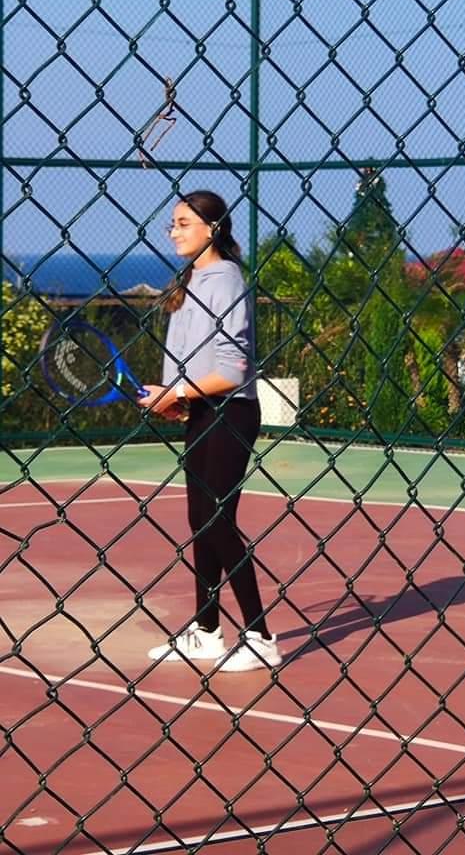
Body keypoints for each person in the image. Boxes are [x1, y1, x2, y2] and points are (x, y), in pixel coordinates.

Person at [139, 190, 281, 671]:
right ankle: (206, 631)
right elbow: (191, 365)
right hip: (203, 412)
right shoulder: (190, 280)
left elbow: (232, 371)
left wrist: (178, 392)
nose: (174, 232)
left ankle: (261, 638)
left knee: (216, 520)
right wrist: (176, 399)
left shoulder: (226, 280)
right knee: (200, 520)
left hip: (231, 413)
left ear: (212, 228)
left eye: (183, 223)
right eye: (172, 224)